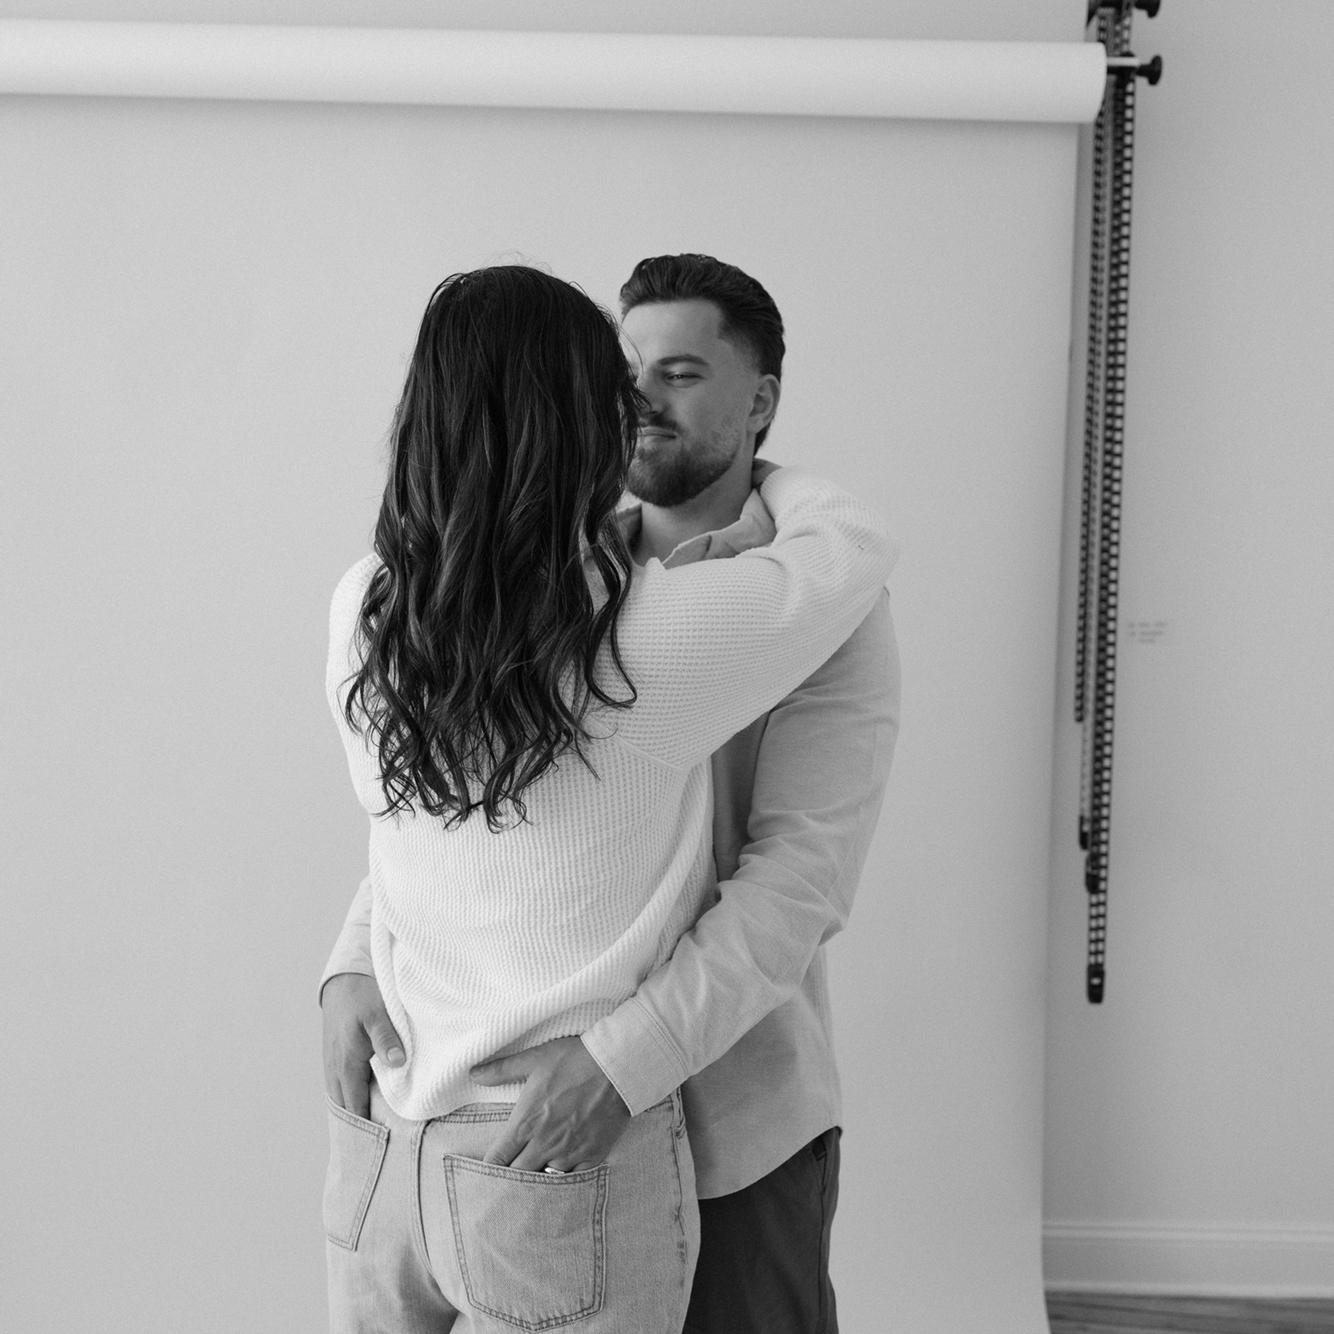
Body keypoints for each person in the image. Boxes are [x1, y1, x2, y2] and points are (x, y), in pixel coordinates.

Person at [321, 262, 896, 1334]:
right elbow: (432, 824)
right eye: (624, 375)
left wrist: (621, 1064)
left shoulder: (380, 600)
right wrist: (355, 956)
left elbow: (796, 884)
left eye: (681, 374)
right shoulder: (615, 615)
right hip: (507, 1129)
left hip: (728, 1112)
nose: (641, 401)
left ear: (761, 398)